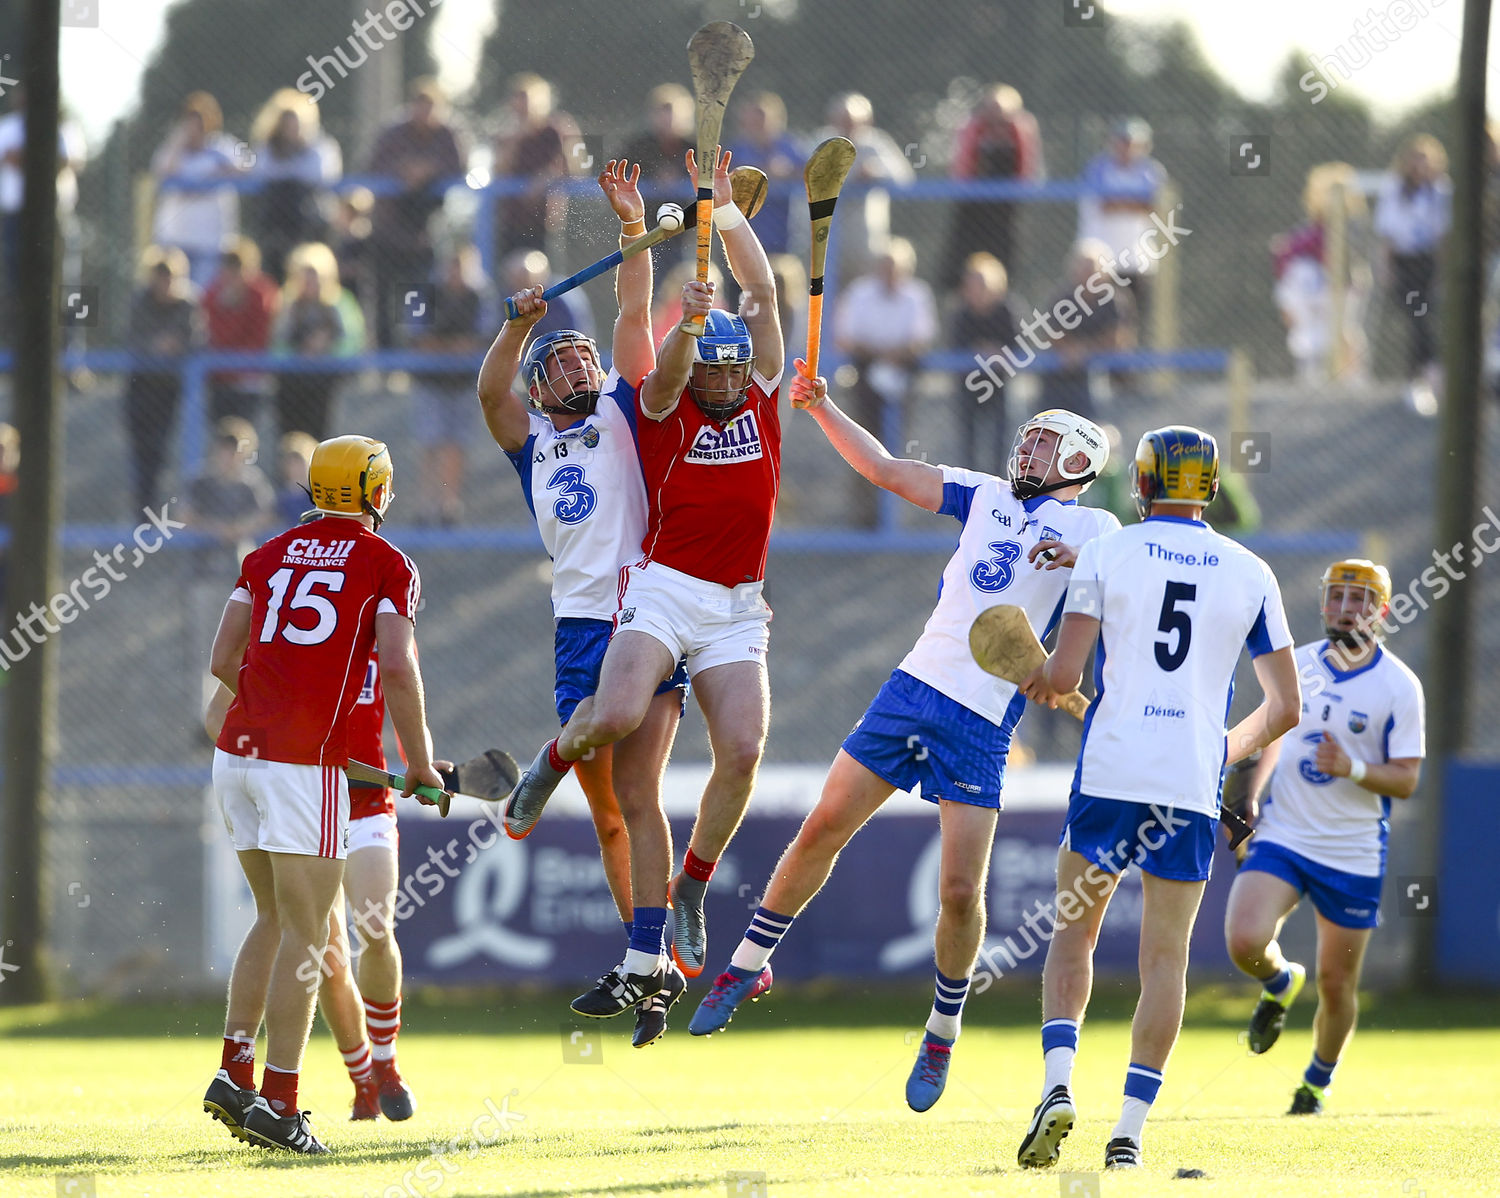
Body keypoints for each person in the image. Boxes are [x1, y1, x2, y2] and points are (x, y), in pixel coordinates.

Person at [687, 404, 1118, 1118]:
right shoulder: (983, 493)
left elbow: (1130, 581)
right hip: (912, 690)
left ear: (1079, 462)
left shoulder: (1096, 529)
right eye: (1029, 437)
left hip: (982, 722)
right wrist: (822, 405)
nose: (1028, 449)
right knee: (824, 825)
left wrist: (1086, 568)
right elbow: (885, 469)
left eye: (1045, 444)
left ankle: (942, 1031)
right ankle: (746, 967)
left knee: (957, 892)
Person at [501, 146, 785, 1032]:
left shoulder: (763, 395)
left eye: (735, 368)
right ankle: (640, 946)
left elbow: (766, 300)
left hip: (736, 603)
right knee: (616, 763)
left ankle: (684, 898)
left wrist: (721, 214)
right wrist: (683, 314)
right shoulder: (653, 409)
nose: (727, 382)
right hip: (656, 595)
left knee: (739, 754)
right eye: (712, 367)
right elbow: (655, 356)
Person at [1014, 426, 1301, 1172]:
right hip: (1188, 783)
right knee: (1164, 960)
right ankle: (1129, 1134)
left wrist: (1034, 675)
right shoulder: (1252, 570)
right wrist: (1221, 754)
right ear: (1208, 487)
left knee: (1073, 937)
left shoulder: (1109, 551)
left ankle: (1057, 1086)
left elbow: (1065, 674)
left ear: (1140, 485)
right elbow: (1285, 708)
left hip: (1110, 772)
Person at [477, 159, 689, 1047]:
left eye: (576, 355)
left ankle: (655, 957)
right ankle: (647, 959)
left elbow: (634, 311)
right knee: (611, 810)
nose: (573, 365)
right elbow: (490, 391)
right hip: (578, 625)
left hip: (649, 613)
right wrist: (510, 329)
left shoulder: (621, 406)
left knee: (643, 793)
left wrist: (632, 223)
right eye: (552, 361)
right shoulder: (532, 448)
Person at [201, 434, 441, 1154]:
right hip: (305, 767)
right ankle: (279, 1102)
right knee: (311, 938)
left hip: (236, 756)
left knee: (271, 918)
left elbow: (222, 660)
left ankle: (233, 1071)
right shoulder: (387, 562)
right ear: (374, 491)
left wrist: (274, 710)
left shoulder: (265, 555)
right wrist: (423, 764)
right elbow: (396, 667)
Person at [1224, 559, 1424, 1116]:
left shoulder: (1399, 686)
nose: (1346, 608)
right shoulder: (1297, 666)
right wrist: (1250, 791)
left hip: (1353, 851)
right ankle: (1282, 979)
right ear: (1323, 604)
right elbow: (1270, 737)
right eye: (1337, 597)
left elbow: (1406, 780)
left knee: (1338, 984)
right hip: (1285, 836)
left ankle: (1315, 1083)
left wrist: (1354, 769)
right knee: (1244, 941)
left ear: (1381, 611)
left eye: (1360, 599)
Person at [833, 238, 938, 526]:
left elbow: (922, 339)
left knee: (899, 447)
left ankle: (894, 517)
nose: (890, 275)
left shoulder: (917, 295)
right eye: (885, 268)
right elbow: (847, 337)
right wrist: (881, 354)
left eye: (896, 269)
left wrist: (893, 354)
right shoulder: (859, 293)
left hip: (903, 380)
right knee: (860, 444)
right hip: (864, 379)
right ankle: (862, 516)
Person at [367, 80, 465, 349]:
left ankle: (415, 360)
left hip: (424, 235)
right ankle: (386, 366)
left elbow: (459, 166)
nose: (424, 114)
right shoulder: (392, 133)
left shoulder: (446, 134)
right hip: (388, 233)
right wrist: (403, 170)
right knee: (384, 303)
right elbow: (374, 165)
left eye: (431, 107)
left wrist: (428, 170)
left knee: (418, 300)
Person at [409, 243, 487, 525]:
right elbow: (416, 339)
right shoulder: (421, 292)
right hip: (429, 383)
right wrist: (450, 347)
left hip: (463, 383)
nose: (455, 272)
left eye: (462, 266)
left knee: (457, 444)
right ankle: (425, 505)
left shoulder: (480, 295)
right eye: (451, 265)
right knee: (429, 442)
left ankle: (448, 505)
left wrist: (446, 346)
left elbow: (479, 340)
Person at [1374, 135, 1451, 415]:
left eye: (1425, 160)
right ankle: (1430, 372)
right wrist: (1385, 267)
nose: (1420, 166)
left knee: (1425, 319)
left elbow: (1443, 236)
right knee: (1417, 317)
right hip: (1404, 262)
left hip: (1428, 262)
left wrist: (1443, 271)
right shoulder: (1394, 189)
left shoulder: (1441, 191)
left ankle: (1420, 379)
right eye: (1415, 160)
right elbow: (1387, 234)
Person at [943, 84, 1043, 288]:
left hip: (1006, 214)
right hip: (972, 212)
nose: (997, 121)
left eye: (1003, 115)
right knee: (961, 267)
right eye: (991, 111)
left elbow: (1030, 173)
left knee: (1007, 267)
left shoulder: (1021, 130)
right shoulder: (973, 129)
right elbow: (960, 170)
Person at [124, 247, 198, 513]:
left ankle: (171, 509)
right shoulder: (140, 301)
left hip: (171, 390)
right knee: (142, 449)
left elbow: (196, 339)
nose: (165, 284)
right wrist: (155, 346)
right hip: (141, 387)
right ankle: (143, 508)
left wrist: (175, 345)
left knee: (162, 448)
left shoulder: (188, 304)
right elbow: (133, 338)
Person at [151, 92, 245, 289]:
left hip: (211, 243)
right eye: (190, 121)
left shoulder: (223, 146)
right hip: (175, 241)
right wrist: (177, 142)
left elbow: (247, 167)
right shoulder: (174, 148)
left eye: (201, 121)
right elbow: (160, 171)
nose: (195, 128)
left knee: (203, 296)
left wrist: (219, 170)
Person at [1076, 119, 1167, 323]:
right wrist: (1135, 203)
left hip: (1136, 261)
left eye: (1133, 143)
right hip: (1099, 263)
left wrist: (1122, 202)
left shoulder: (1150, 171)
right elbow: (1103, 205)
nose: (1127, 148)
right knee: (1094, 320)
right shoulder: (1098, 167)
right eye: (1122, 141)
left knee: (1132, 321)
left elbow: (1154, 207)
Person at [248, 89, 342, 283]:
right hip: (276, 227)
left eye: (296, 123)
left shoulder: (320, 146)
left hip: (309, 225)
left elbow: (321, 173)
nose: (292, 129)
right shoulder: (269, 147)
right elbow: (260, 169)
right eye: (287, 124)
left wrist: (291, 164)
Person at [492, 73, 580, 258]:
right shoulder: (506, 134)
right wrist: (516, 138)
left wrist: (546, 178)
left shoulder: (557, 129)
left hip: (545, 221)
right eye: (518, 98)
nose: (523, 105)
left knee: (546, 278)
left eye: (528, 98)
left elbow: (578, 167)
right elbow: (499, 171)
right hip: (511, 220)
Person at [949, 251, 1020, 474]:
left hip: (1000, 385)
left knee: (1004, 442)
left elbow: (1020, 346)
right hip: (969, 386)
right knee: (967, 446)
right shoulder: (961, 313)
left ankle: (1003, 485)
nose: (976, 292)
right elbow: (956, 347)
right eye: (971, 285)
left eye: (982, 285)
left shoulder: (1007, 310)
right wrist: (980, 351)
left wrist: (996, 351)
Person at [202, 239, 280, 425]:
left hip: (250, 382)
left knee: (245, 438)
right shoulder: (213, 295)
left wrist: (236, 309)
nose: (232, 275)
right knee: (222, 435)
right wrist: (226, 309)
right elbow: (214, 339)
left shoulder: (262, 294)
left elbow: (260, 339)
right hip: (220, 381)